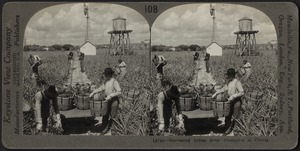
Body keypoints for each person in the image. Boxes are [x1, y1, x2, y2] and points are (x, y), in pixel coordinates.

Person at [89, 68, 122, 135]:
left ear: (110, 74)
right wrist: (93, 92)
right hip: (107, 99)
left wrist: (111, 95)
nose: (106, 76)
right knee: (105, 113)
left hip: (114, 100)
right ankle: (104, 126)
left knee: (113, 115)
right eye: (105, 74)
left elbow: (119, 92)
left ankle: (112, 129)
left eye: (107, 74)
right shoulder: (106, 81)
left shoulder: (114, 81)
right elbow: (101, 88)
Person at [212, 68, 244, 135]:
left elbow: (242, 92)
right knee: (228, 115)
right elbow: (224, 88)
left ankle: (235, 130)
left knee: (235, 116)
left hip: (236, 102)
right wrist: (216, 93)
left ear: (232, 75)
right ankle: (227, 129)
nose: (228, 77)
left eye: (229, 75)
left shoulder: (237, 82)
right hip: (230, 100)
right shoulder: (229, 82)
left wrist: (233, 96)